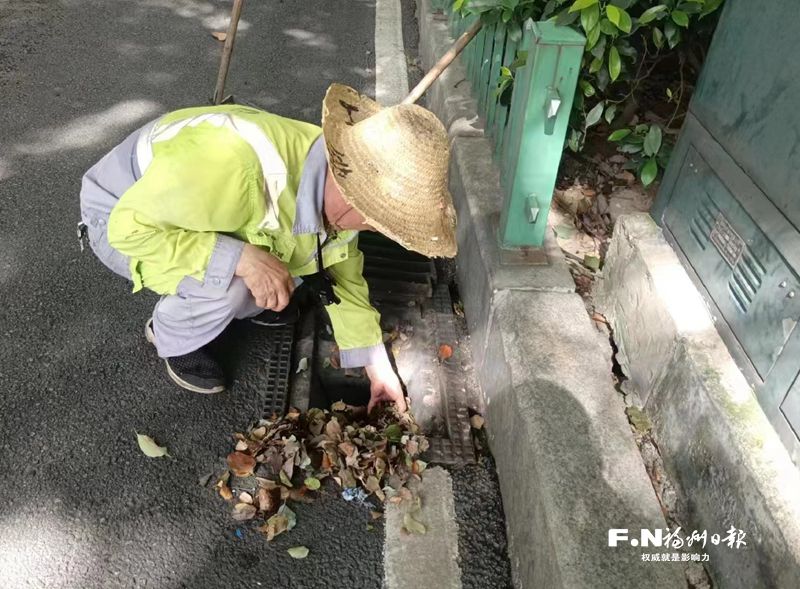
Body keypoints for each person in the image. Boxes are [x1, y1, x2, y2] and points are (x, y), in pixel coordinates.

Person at [78, 83, 457, 413]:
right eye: (380, 220)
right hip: (119, 216)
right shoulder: (234, 169)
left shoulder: (332, 173)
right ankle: (170, 335)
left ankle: (242, 288)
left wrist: (376, 365)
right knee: (237, 282)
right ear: (352, 195)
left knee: (290, 262)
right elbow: (127, 230)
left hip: (192, 208)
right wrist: (240, 258)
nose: (380, 231)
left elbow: (340, 270)